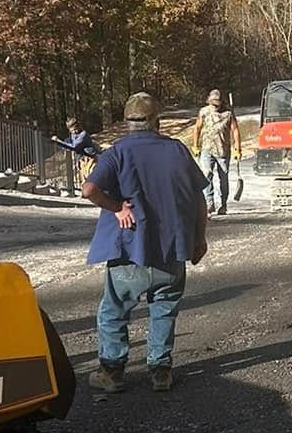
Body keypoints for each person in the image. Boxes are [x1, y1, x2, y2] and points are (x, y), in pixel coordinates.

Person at [82, 92, 207, 394]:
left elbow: (89, 190)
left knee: (113, 312)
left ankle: (111, 373)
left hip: (130, 253)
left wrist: (117, 208)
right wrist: (199, 238)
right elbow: (199, 199)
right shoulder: (177, 151)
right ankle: (160, 373)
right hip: (171, 252)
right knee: (164, 309)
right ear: (156, 121)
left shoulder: (117, 152)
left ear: (126, 122)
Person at [189, 88, 242, 217]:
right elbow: (197, 128)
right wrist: (195, 145)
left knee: (223, 177)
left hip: (223, 150)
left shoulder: (228, 113)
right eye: (213, 103)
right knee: (206, 175)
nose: (215, 105)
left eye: (217, 103)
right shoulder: (204, 112)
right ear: (209, 101)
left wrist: (237, 148)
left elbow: (235, 130)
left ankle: (223, 204)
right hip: (207, 149)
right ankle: (209, 203)